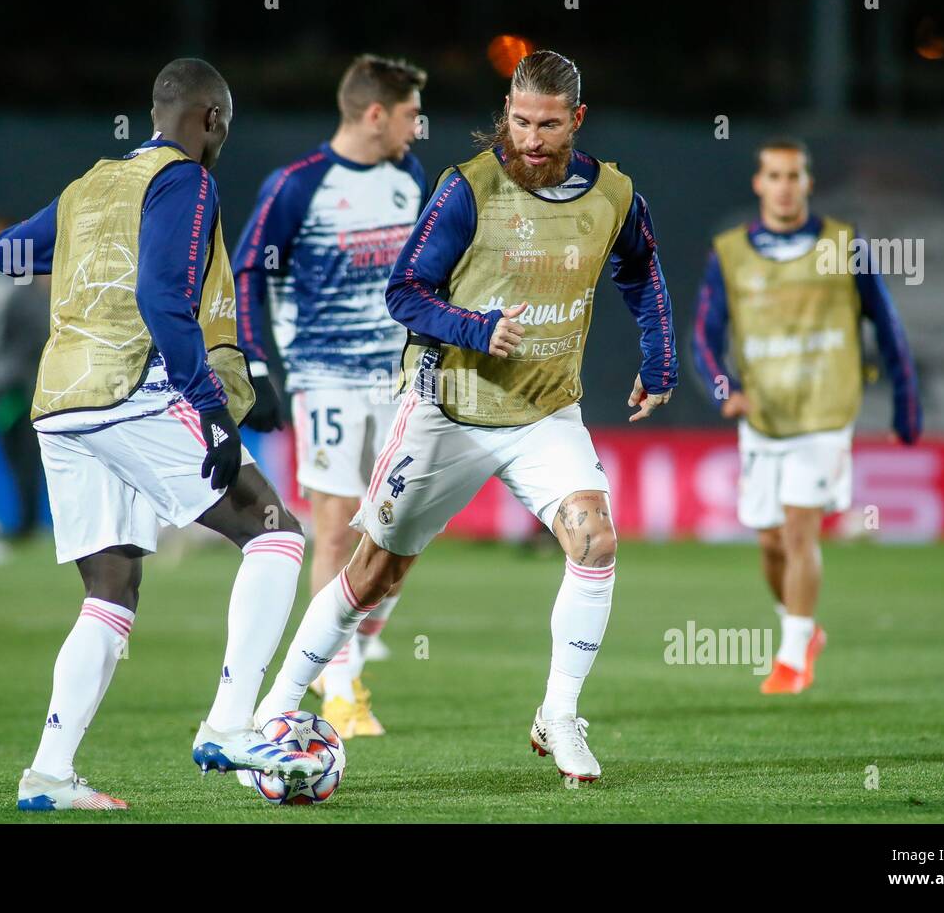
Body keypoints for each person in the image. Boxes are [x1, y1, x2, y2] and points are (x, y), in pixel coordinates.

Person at [255, 49, 679, 783]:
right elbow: (405, 293)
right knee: (374, 575)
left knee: (597, 540)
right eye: (520, 122)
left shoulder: (612, 194)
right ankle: (273, 711)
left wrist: (660, 359)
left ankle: (559, 712)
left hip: (545, 411)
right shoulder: (466, 190)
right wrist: (477, 328)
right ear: (505, 115)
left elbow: (640, 271)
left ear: (576, 119)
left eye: (549, 125)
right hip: (449, 408)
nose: (533, 140)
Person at [0, 58, 323, 811]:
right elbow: (159, 295)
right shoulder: (188, 181)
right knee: (275, 532)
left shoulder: (88, 187)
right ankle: (230, 725)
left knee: (111, 591)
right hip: (130, 388)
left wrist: (86, 260)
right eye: (226, 124)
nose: (225, 137)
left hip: (60, 400)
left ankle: (48, 773)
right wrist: (210, 405)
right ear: (209, 118)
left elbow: (8, 252)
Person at [232, 54, 427, 737]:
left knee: (401, 539)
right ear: (375, 114)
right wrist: (255, 367)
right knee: (339, 529)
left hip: (403, 383)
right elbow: (246, 271)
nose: (417, 126)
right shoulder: (297, 186)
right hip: (329, 380)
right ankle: (341, 691)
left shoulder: (409, 177)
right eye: (409, 114)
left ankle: (338, 647)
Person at [691, 137, 922, 694]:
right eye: (774, 175)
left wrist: (905, 403)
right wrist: (725, 388)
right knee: (770, 542)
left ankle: (792, 659)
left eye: (794, 175)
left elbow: (886, 325)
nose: (785, 186)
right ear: (759, 183)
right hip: (764, 415)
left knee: (799, 531)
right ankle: (800, 627)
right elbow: (703, 334)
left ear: (808, 183)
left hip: (824, 410)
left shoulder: (845, 246)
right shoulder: (730, 252)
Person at [0, 213, 50, 542]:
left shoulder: (20, 283)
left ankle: (28, 524)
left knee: (23, 453)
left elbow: (37, 331)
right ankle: (26, 521)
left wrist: (19, 376)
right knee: (13, 453)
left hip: (16, 386)